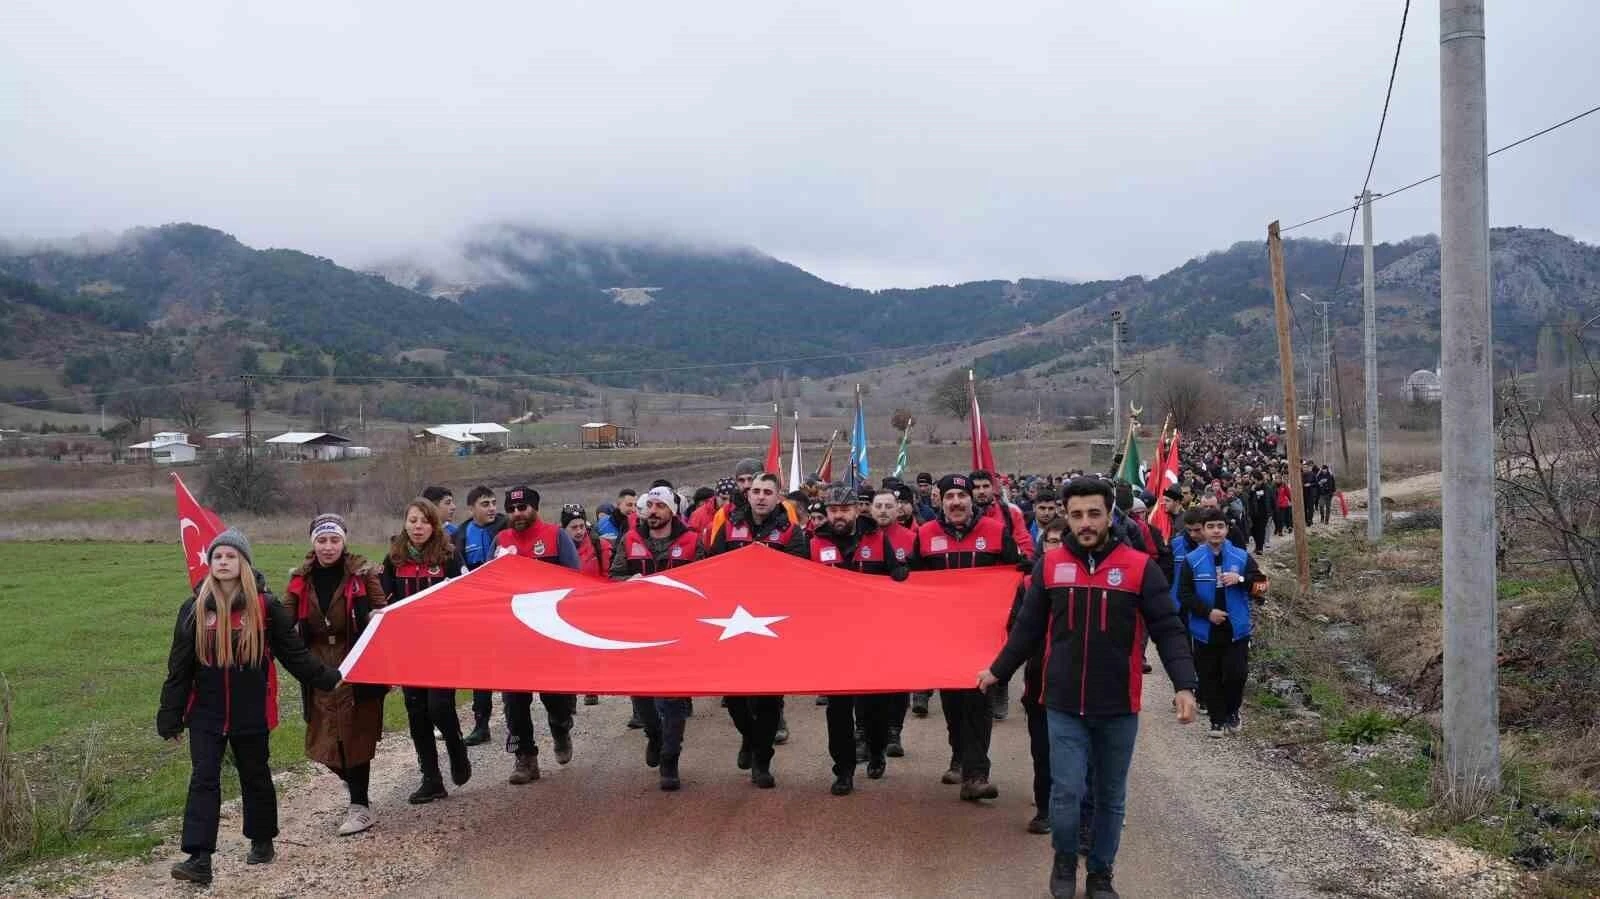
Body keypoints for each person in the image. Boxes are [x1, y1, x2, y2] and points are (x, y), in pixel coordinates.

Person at [978, 477, 1199, 899]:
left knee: (1111, 797)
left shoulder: (1139, 567)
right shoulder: (1051, 566)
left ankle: (1100, 874)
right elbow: (1027, 629)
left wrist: (1184, 685)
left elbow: (1169, 628)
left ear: (1109, 514)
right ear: (1067, 516)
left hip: (1118, 704)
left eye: (1093, 513)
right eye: (1076, 515)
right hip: (1062, 703)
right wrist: (998, 671)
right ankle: (1064, 861)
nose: (1085, 523)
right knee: (1067, 792)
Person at [159, 529, 342, 886]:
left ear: (243, 562)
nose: (224, 562)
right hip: (206, 714)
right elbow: (179, 667)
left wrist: (328, 678)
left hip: (251, 711)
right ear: (209, 564)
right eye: (218, 557)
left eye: (231, 556)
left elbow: (294, 655)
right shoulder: (193, 609)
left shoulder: (266, 607)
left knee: (255, 776)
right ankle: (199, 858)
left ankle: (262, 840)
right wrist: (170, 715)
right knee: (203, 779)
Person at [916, 473, 1024, 802]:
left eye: (961, 496)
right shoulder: (925, 535)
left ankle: (977, 773)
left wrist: (1011, 623)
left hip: (983, 636)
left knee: (978, 700)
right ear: (940, 501)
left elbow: (1014, 577)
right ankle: (959, 757)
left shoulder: (995, 532)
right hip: (943, 634)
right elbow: (915, 584)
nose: (956, 502)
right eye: (949, 497)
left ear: (971, 500)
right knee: (952, 703)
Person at [281, 514, 387, 837]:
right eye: (322, 540)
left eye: (334, 540)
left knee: (356, 734)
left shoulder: (362, 575)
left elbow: (382, 615)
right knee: (323, 736)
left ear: (344, 542)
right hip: (317, 667)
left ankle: (359, 806)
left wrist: (372, 614)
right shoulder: (300, 580)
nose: (328, 547)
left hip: (355, 661)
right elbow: (283, 621)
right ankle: (354, 788)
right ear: (313, 543)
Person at [808, 484, 913, 795]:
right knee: (838, 710)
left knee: (875, 708)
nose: (839, 515)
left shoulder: (880, 540)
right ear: (827, 513)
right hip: (834, 642)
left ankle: (877, 749)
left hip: (874, 640)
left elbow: (900, 574)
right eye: (833, 510)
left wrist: (900, 572)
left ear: (856, 510)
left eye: (844, 509)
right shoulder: (814, 544)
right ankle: (843, 770)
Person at [709, 471, 807, 788]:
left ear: (779, 497)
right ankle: (748, 739)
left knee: (767, 699)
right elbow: (711, 568)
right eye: (755, 491)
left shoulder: (792, 533)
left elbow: (800, 577)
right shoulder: (729, 527)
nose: (761, 496)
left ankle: (762, 761)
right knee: (735, 697)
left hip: (773, 625)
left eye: (767, 491)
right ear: (748, 495)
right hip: (732, 623)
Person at [611, 485, 703, 790]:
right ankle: (653, 735)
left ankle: (670, 758)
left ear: (672, 511)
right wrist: (629, 582)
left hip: (679, 631)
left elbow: (707, 582)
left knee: (673, 698)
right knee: (641, 694)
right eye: (648, 505)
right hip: (640, 630)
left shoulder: (693, 542)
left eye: (659, 506)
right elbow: (614, 577)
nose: (652, 511)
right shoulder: (630, 540)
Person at [382, 499, 470, 804]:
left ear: (433, 525)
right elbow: (382, 599)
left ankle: (457, 749)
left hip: (442, 647)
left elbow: (465, 596)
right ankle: (431, 778)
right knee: (416, 712)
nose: (417, 526)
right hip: (408, 649)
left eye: (423, 521)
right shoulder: (394, 558)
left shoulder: (448, 555)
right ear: (405, 524)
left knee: (439, 706)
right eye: (412, 521)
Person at [493, 485, 582, 784]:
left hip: (549, 634)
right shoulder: (501, 540)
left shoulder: (556, 537)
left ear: (535, 508)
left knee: (554, 697)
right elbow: (489, 584)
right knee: (514, 702)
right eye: (512, 509)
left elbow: (575, 583)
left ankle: (561, 726)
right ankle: (526, 759)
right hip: (513, 637)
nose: (517, 514)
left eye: (523, 508)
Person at [1178, 508, 1267, 737]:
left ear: (1227, 529)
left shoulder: (1241, 556)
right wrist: (1207, 612)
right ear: (1204, 531)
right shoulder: (1192, 560)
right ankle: (1217, 721)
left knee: (1236, 674)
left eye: (1220, 526)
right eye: (1210, 527)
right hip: (1204, 628)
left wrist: (1240, 579)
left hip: (1236, 628)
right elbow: (1184, 594)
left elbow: (1262, 586)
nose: (1216, 531)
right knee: (1209, 676)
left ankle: (1233, 711)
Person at [1015, 518, 1069, 836]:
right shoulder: (1027, 585)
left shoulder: (1090, 581)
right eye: (1052, 541)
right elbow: (1016, 632)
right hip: (1039, 682)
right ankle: (1045, 809)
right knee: (1043, 749)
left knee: (1079, 752)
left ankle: (1084, 811)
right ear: (1042, 544)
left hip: (1080, 684)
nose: (1058, 547)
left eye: (1065, 540)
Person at [452, 485, 508, 745]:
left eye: (494, 503)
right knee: (481, 668)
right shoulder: (461, 535)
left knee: (511, 666)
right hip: (478, 611)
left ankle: (516, 720)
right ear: (471, 508)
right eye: (485, 504)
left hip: (508, 609)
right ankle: (481, 724)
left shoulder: (507, 528)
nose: (492, 508)